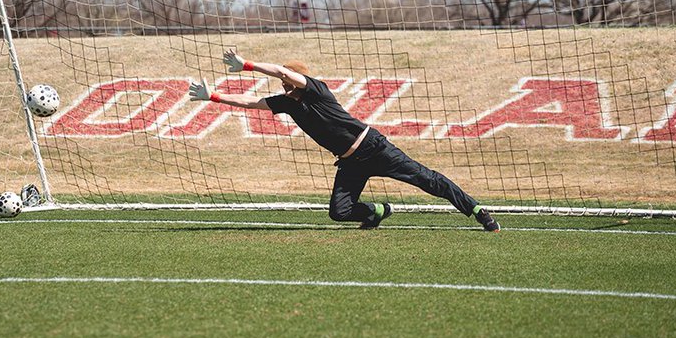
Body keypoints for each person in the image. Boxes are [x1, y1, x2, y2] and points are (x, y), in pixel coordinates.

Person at [189, 50, 500, 233]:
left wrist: (248, 65)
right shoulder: (287, 103)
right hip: (351, 162)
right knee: (339, 211)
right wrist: (213, 97)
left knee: (427, 180)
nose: (283, 86)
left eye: (286, 83)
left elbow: (284, 71)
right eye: (283, 84)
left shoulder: (317, 89)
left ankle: (476, 211)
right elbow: (249, 103)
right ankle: (377, 211)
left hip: (373, 148)